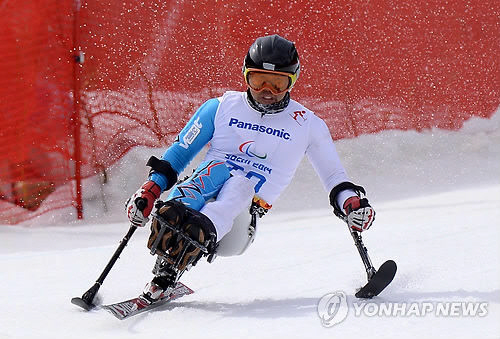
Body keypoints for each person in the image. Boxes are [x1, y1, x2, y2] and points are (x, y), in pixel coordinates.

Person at [126, 34, 375, 303]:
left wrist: (352, 203)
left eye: (278, 83)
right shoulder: (220, 107)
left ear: (293, 81)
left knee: (239, 183)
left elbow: (335, 177)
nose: (267, 90)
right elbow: (177, 155)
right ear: (245, 75)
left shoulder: (308, 125)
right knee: (215, 171)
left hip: (241, 221)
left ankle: (203, 225)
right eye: (258, 80)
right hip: (200, 193)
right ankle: (165, 271)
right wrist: (150, 191)